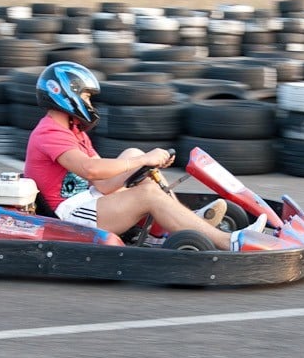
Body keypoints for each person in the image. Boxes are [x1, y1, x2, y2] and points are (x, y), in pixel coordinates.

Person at [23, 61, 267, 251]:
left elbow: (103, 184)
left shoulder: (72, 129)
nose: (89, 103)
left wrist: (143, 164)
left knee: (133, 154)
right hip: (70, 215)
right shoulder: (49, 132)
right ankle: (228, 242)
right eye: (86, 97)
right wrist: (143, 161)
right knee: (146, 188)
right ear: (64, 94)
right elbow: (91, 170)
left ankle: (181, 222)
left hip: (89, 198)